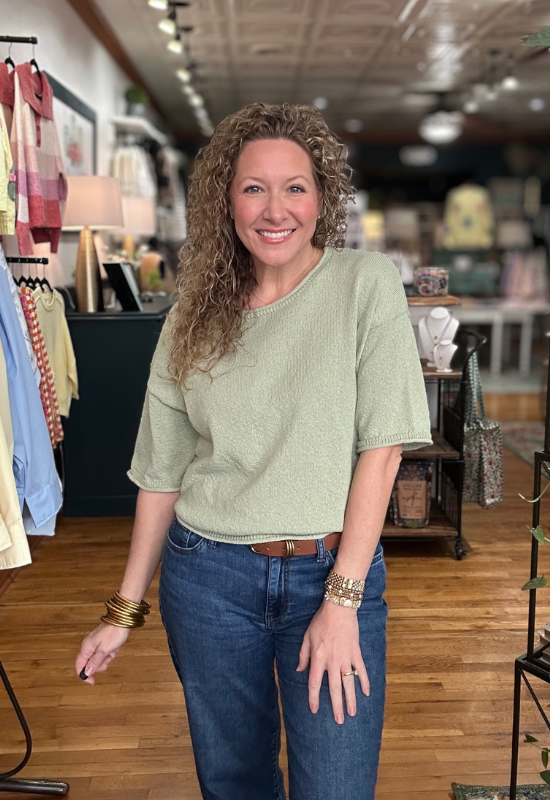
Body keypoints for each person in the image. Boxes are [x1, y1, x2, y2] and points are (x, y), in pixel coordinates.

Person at [75, 102, 432, 800]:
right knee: (233, 782)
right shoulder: (190, 314)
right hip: (207, 580)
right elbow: (160, 474)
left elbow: (383, 449)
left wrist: (342, 602)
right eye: (253, 187)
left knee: (336, 785)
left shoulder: (365, 284)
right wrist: (123, 612)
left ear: (321, 199)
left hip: (332, 574)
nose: (276, 209)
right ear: (225, 200)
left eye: (295, 186)